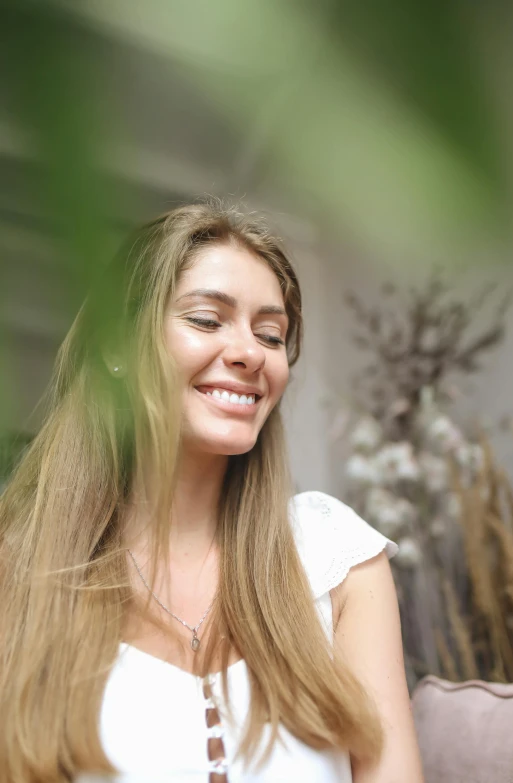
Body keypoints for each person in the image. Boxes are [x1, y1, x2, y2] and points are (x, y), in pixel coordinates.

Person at [0, 202, 424, 782]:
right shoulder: (18, 569)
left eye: (270, 334)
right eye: (206, 320)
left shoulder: (336, 558)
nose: (250, 352)